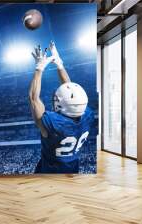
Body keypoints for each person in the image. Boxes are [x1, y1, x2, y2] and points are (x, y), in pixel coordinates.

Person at [28, 41, 93, 173]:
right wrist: (60, 65)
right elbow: (71, 94)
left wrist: (39, 67)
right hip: (72, 168)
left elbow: (33, 98)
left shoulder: (54, 124)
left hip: (50, 172)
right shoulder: (88, 116)